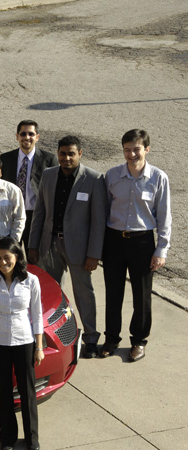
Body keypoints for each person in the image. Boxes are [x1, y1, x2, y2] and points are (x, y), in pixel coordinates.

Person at [28, 136, 106, 358]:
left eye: (71, 153)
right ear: (58, 154)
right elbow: (40, 212)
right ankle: (52, 335)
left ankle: (91, 337)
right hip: (49, 245)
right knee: (50, 293)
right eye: (63, 153)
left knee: (83, 292)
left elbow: (98, 222)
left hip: (79, 249)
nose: (67, 158)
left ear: (80, 154)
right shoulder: (49, 175)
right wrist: (33, 244)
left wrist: (94, 254)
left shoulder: (93, 179)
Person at [100, 129, 171, 362]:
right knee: (113, 293)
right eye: (127, 149)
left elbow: (164, 216)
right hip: (114, 240)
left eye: (136, 149)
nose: (131, 154)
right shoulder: (112, 176)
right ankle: (111, 338)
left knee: (142, 296)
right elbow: (104, 211)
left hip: (142, 243)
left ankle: (139, 340)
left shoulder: (158, 178)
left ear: (147, 149)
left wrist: (161, 249)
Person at [0, 237, 44, 450]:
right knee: (3, 392)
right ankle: (7, 437)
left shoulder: (31, 281)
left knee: (27, 392)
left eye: (7, 257)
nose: (3, 262)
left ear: (17, 257)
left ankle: (32, 437)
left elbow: (37, 314)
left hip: (24, 341)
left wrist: (39, 346)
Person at [0, 120, 58, 251]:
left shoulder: (48, 160)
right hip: (11, 217)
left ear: (37, 137)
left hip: (36, 219)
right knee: (11, 256)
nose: (27, 137)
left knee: (35, 259)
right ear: (17, 136)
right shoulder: (5, 159)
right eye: (23, 134)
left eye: (31, 134)